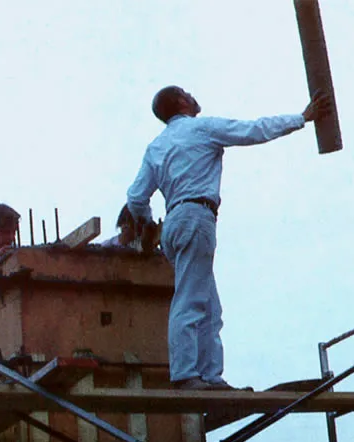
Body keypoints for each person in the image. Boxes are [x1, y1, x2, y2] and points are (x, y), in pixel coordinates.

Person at [126, 86, 333, 391]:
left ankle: (210, 376)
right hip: (197, 215)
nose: (192, 94)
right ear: (182, 103)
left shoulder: (156, 146)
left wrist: (146, 226)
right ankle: (186, 375)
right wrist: (302, 118)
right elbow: (253, 130)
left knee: (209, 306)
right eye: (186, 92)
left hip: (175, 221)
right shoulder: (202, 128)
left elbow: (135, 197)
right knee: (191, 300)